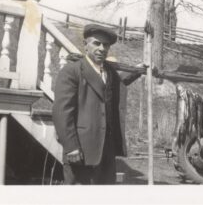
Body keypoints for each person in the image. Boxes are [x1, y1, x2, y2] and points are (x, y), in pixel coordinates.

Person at [53, 24, 141, 184]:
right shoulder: (72, 71)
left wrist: (141, 70)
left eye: (105, 45)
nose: (101, 48)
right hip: (81, 150)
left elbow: (120, 81)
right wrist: (71, 147)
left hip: (107, 151)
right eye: (96, 43)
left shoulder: (109, 72)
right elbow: (62, 112)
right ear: (85, 45)